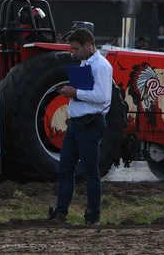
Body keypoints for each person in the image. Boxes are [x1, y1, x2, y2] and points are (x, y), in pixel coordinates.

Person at [48, 28, 113, 226]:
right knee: (65, 168)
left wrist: (75, 92)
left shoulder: (101, 65)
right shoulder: (87, 62)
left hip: (90, 123)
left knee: (89, 170)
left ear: (88, 45)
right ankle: (60, 213)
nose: (73, 53)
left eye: (75, 49)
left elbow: (103, 98)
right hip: (77, 123)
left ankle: (93, 216)